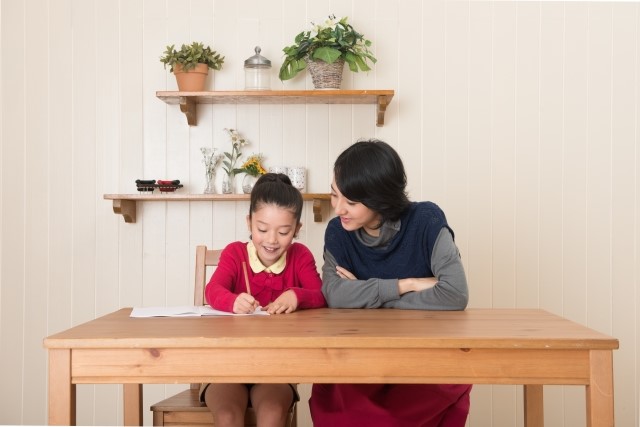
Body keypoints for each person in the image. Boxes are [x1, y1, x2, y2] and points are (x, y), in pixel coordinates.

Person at [309, 139, 472, 427]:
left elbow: (455, 294)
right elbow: (334, 294)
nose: (338, 209)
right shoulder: (338, 232)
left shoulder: (425, 220)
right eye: (335, 196)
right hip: (361, 359)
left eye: (351, 202)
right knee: (335, 394)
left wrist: (364, 294)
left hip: (423, 357)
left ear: (379, 198)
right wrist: (407, 284)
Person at [202, 172, 326, 427]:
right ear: (249, 223)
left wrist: (296, 295)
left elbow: (322, 295)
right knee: (227, 416)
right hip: (227, 365)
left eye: (283, 232)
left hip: (276, 366)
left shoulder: (300, 256)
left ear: (297, 230)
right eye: (262, 229)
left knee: (271, 413)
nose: (271, 240)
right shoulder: (235, 254)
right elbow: (212, 290)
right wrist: (231, 301)